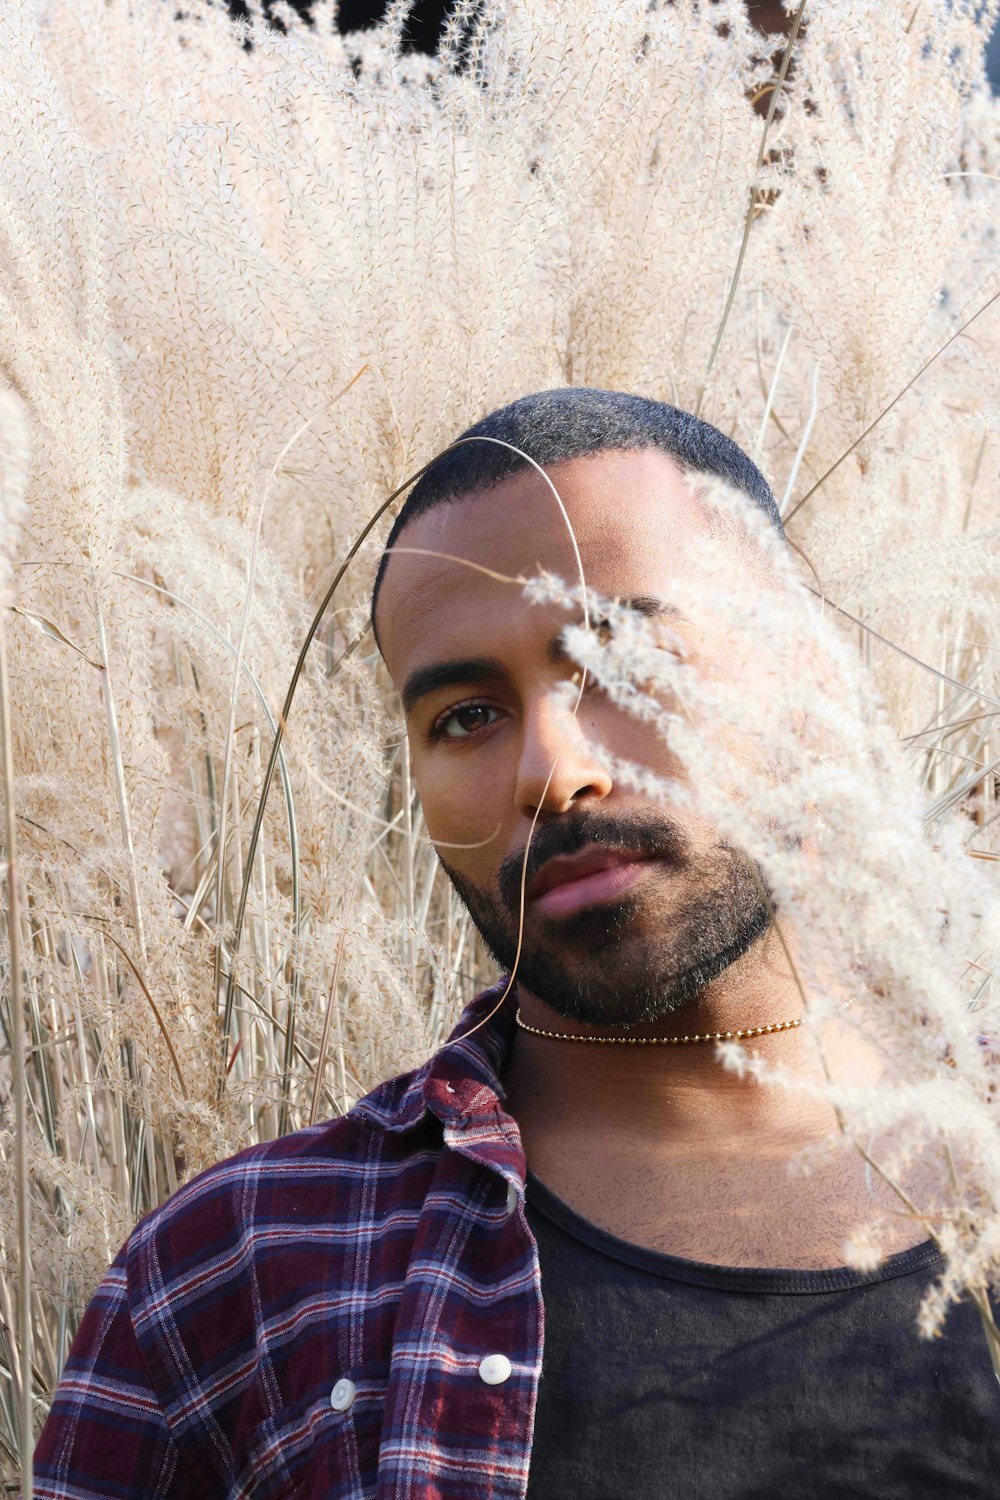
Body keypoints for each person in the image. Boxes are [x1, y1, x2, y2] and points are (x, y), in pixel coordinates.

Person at [32, 389, 999, 1499]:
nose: (552, 766)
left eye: (621, 659)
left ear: (811, 669)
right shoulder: (235, 1270)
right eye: (465, 717)